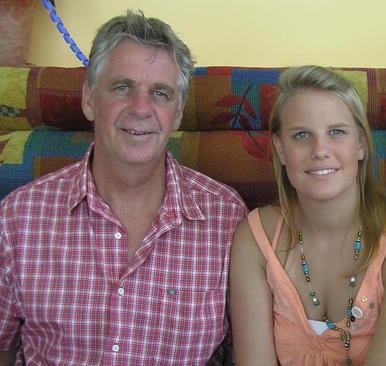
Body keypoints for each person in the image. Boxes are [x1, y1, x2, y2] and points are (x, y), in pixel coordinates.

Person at [0, 10, 246, 365]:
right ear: (89, 100)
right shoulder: (17, 218)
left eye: (160, 93)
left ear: (177, 113)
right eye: (122, 87)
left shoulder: (227, 218)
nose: (141, 108)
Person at [230, 65, 386, 365]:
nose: (320, 150)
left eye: (336, 132)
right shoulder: (255, 237)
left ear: (360, 144)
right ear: (280, 148)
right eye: (301, 135)